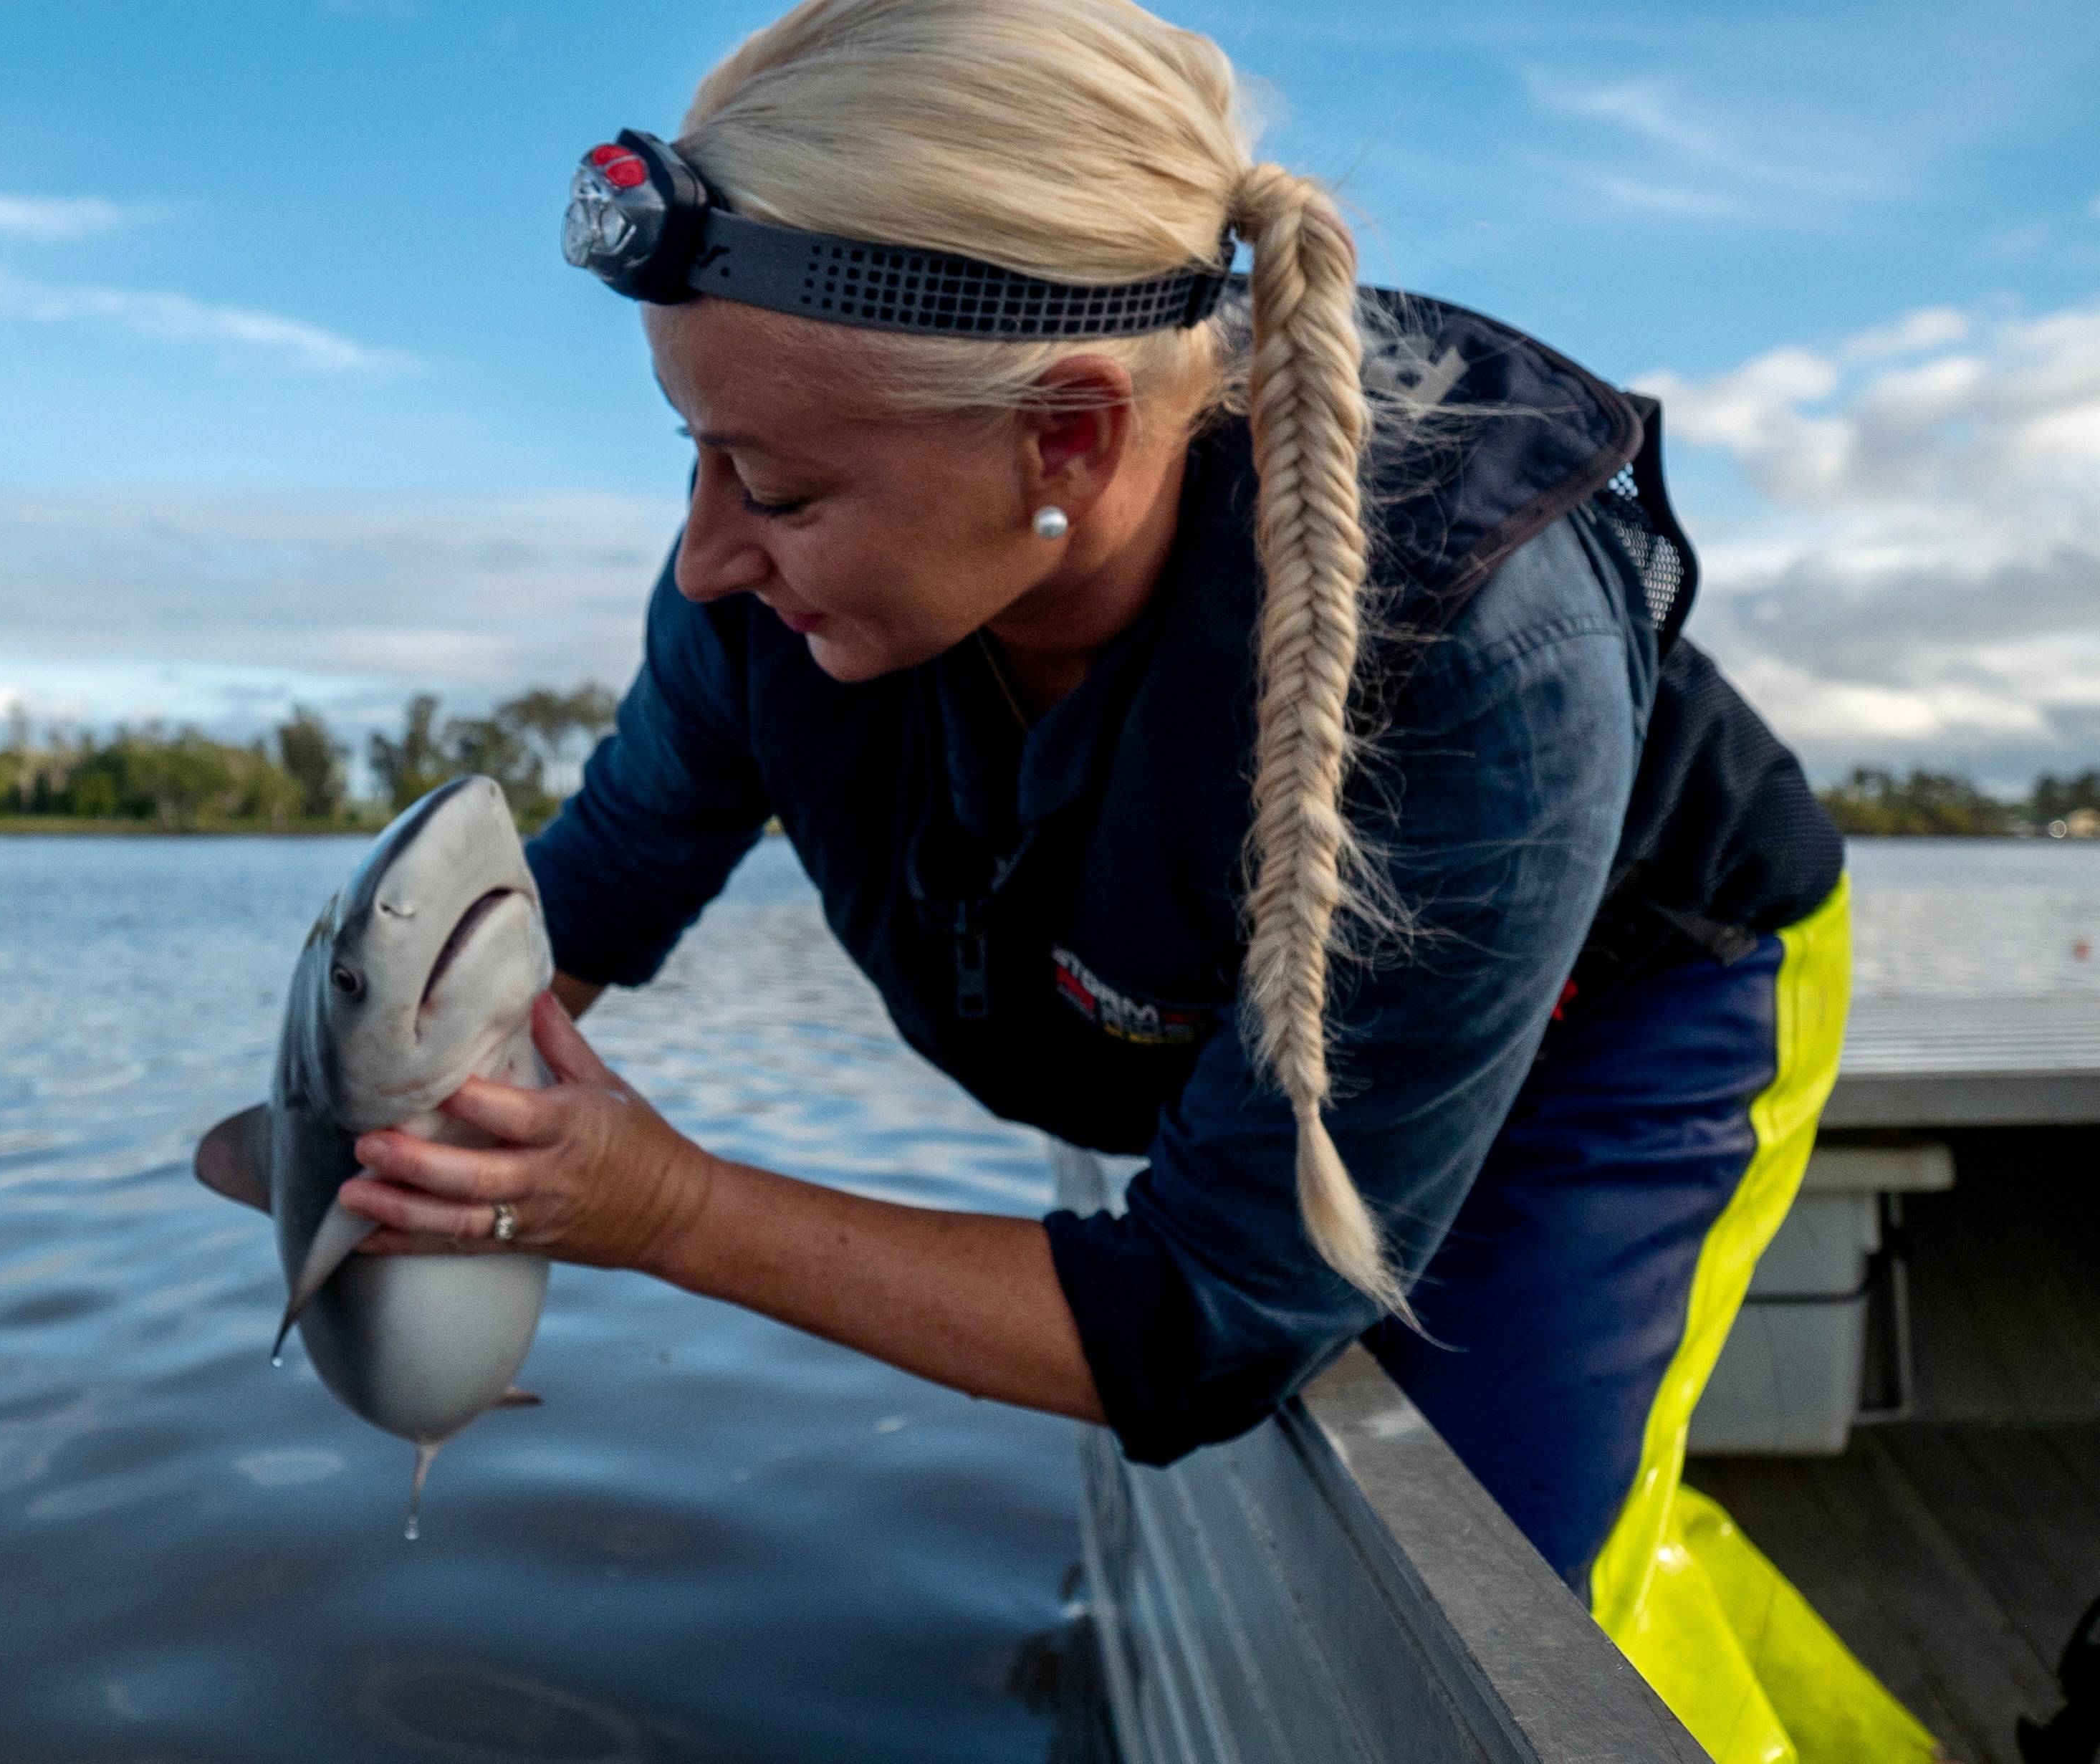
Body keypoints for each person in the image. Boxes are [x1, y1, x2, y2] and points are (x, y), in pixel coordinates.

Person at [330, 1, 1927, 1755]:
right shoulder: (765, 584)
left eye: (775, 486)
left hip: (1628, 1002)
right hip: (1255, 1008)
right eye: (693, 458)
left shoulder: (1478, 654)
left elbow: (1212, 1312)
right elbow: (602, 884)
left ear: (1068, 442)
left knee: (1525, 1594)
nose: (708, 553)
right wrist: (374, 1128)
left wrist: (666, 1209)